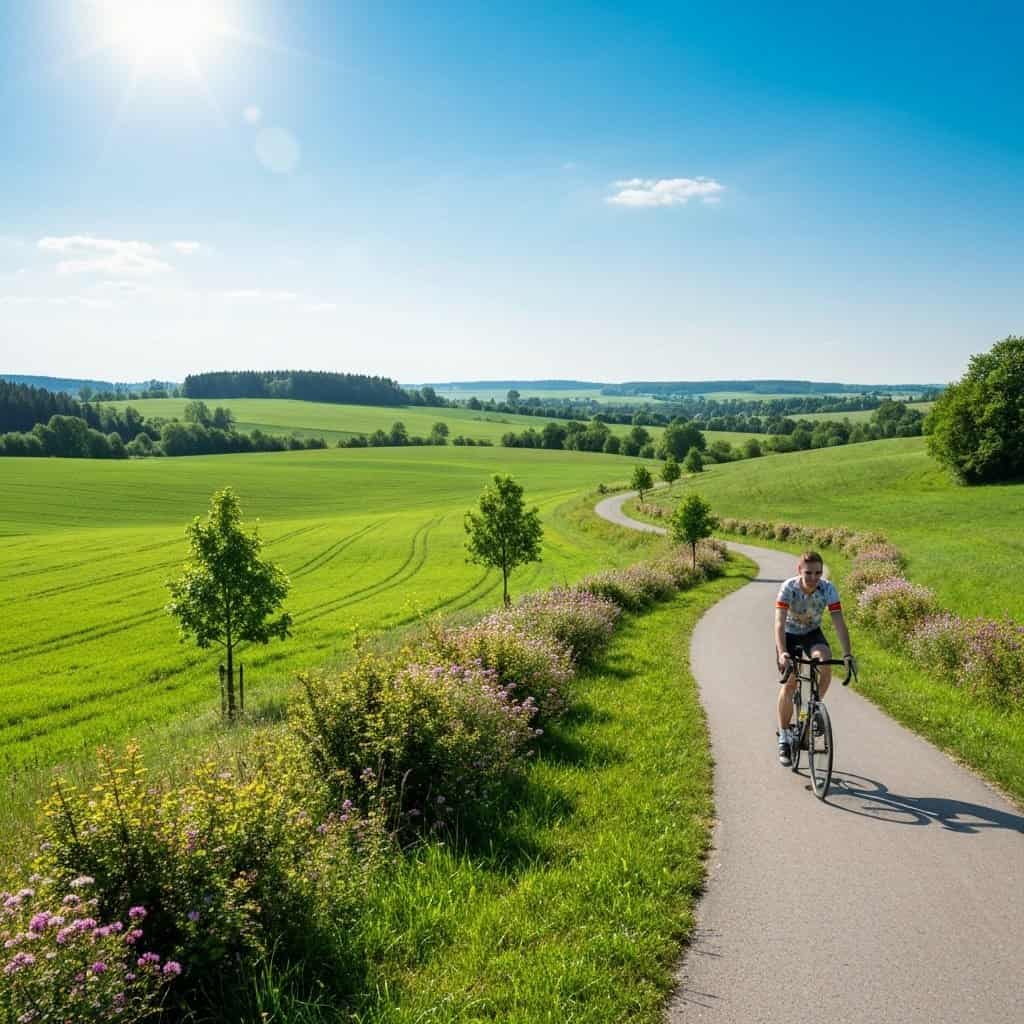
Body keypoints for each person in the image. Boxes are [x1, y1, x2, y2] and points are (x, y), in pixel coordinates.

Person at [774, 550, 853, 766]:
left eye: (818, 573)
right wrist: (783, 653)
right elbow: (779, 623)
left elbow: (839, 622)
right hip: (789, 634)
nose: (813, 577)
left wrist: (847, 654)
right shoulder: (789, 587)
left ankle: (813, 708)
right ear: (799, 570)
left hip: (811, 634)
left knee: (825, 661)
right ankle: (784, 735)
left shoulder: (828, 589)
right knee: (790, 683)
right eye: (808, 572)